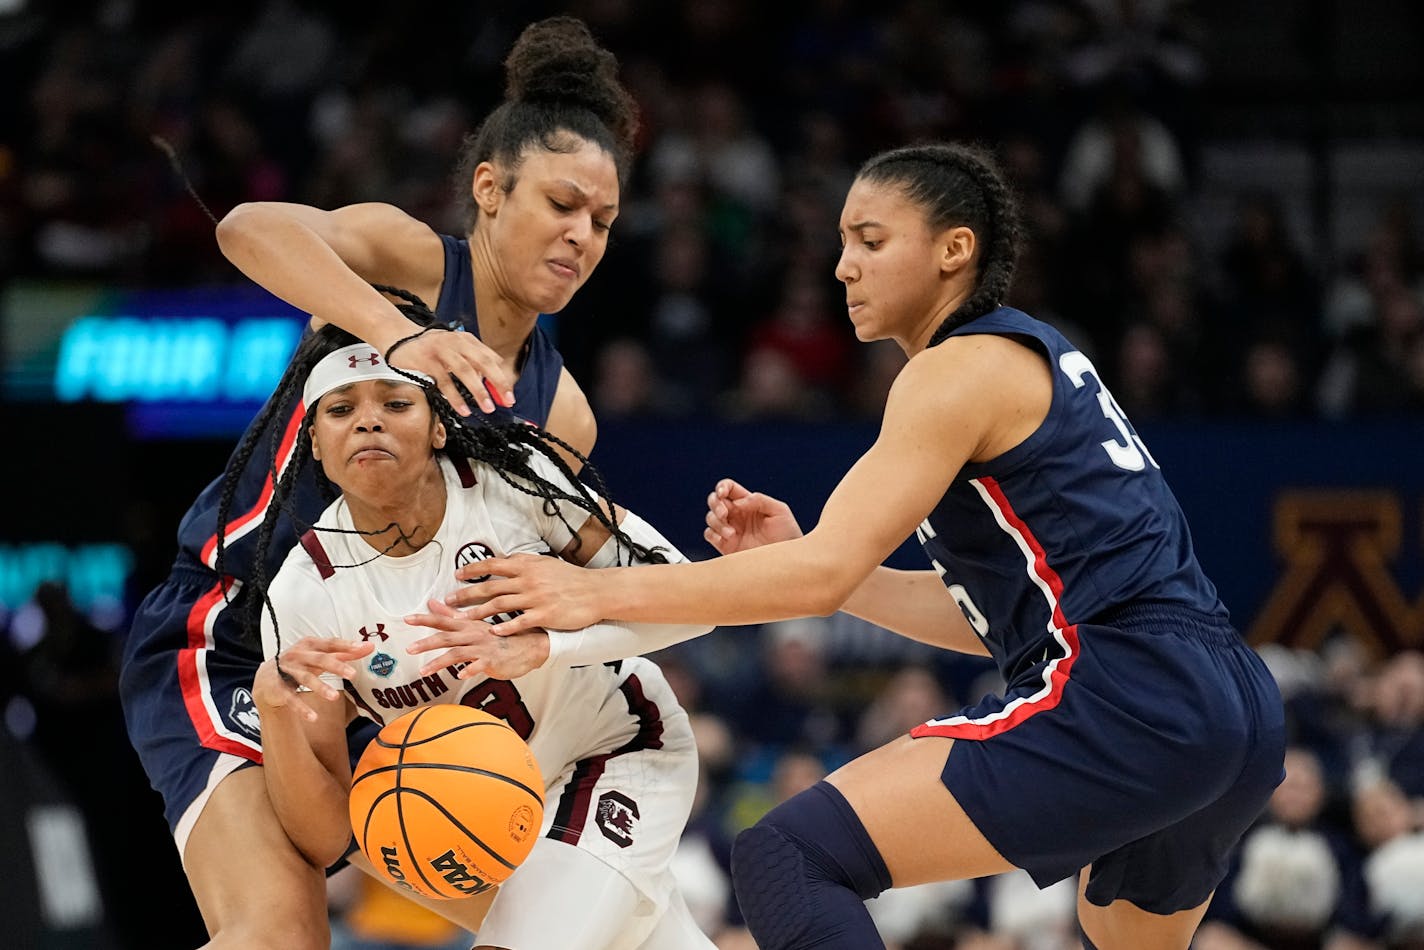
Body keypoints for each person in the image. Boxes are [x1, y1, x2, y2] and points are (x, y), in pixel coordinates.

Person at [445, 142, 1289, 950]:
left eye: (871, 241)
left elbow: (816, 578)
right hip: (1230, 703)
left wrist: (586, 592)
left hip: (1130, 692)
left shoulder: (955, 368)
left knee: (788, 857)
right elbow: (997, 618)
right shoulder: (1027, 355)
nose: (842, 265)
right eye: (843, 241)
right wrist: (825, 563)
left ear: (955, 250)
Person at [118, 16, 638, 947]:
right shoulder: (411, 263)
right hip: (235, 639)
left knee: (578, 927)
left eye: (600, 220)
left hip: (387, 689)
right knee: (279, 932)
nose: (581, 236)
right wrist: (398, 335)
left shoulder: (564, 414)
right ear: (489, 189)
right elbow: (248, 229)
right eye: (561, 204)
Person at [247, 315, 716, 949]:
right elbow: (327, 836)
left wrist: (546, 644)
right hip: (495, 812)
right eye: (340, 410)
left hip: (616, 748)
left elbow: (696, 603)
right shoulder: (303, 593)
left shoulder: (513, 484)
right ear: (314, 448)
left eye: (395, 401)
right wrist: (274, 708)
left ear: (439, 424)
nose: (369, 420)